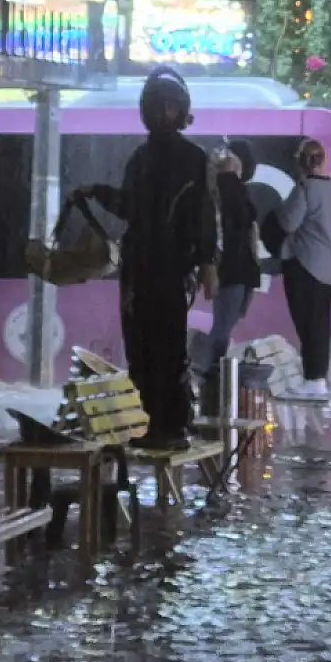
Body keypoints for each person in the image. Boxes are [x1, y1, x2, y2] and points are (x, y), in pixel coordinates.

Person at [77, 67, 219, 449]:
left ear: (182, 110)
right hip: (141, 268)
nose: (163, 114)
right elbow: (132, 207)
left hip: (168, 268)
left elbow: (204, 213)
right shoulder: (143, 158)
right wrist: (98, 193)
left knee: (167, 348)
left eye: (170, 107)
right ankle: (149, 425)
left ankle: (169, 426)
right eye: (158, 107)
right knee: (141, 348)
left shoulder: (192, 158)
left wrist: (207, 263)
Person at [276, 139, 331, 399]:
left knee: (308, 323)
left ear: (301, 161)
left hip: (306, 265)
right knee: (321, 323)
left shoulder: (305, 188)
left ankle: (312, 381)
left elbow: (289, 222)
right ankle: (318, 379)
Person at [199, 141, 262, 390]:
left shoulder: (232, 188)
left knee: (227, 321)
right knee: (222, 325)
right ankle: (211, 375)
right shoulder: (224, 188)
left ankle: (213, 373)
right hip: (231, 269)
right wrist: (229, 177)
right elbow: (236, 220)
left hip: (240, 270)